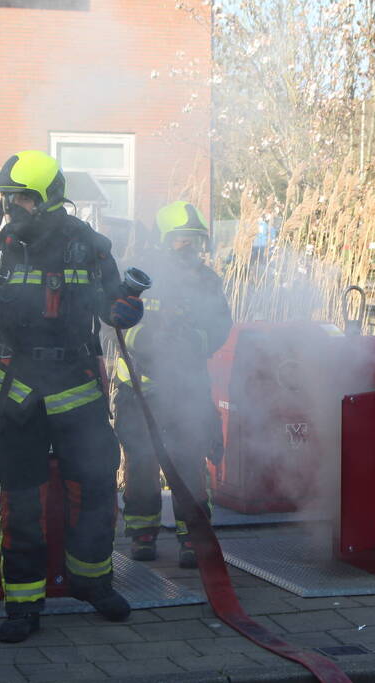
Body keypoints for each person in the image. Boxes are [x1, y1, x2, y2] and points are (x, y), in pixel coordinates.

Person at [0, 150, 144, 644]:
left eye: (21, 198)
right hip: (16, 396)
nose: (13, 208)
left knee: (96, 490)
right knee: (23, 505)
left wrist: (129, 304)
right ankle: (23, 604)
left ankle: (92, 582)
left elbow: (113, 310)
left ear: (47, 197)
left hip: (76, 388)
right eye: (9, 199)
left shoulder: (92, 247)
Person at [113, 200, 231, 569]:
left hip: (187, 388)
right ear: (166, 239)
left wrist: (192, 340)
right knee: (141, 462)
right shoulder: (139, 274)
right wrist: (147, 339)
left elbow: (220, 328)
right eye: (182, 238)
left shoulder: (207, 281)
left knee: (188, 462)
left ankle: (193, 537)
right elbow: (114, 322)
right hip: (140, 387)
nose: (190, 246)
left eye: (195, 239)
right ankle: (143, 533)